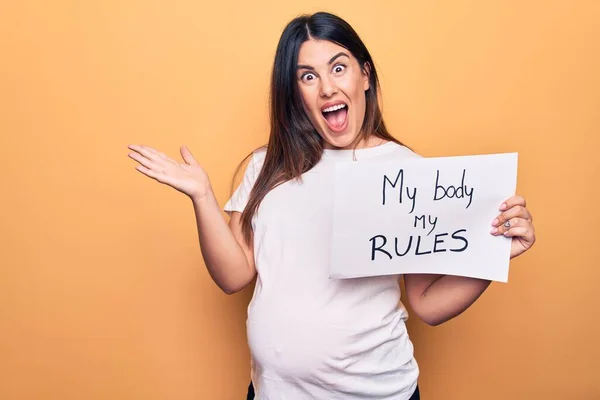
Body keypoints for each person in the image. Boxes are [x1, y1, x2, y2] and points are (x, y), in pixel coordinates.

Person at [127, 11, 536, 400]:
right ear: (295, 93)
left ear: (365, 76)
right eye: (308, 76)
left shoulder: (403, 170)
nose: (326, 87)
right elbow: (233, 275)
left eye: (338, 68)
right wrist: (202, 196)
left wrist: (492, 256)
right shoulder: (267, 166)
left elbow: (428, 303)